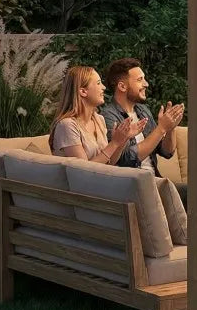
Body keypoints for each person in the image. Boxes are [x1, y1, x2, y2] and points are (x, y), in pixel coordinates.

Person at [100, 57, 188, 247]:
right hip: (133, 184)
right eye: (139, 80)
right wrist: (161, 128)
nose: (145, 84)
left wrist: (170, 128)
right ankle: (192, 244)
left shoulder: (143, 110)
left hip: (153, 179)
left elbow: (166, 151)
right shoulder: (109, 116)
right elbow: (125, 159)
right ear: (122, 86)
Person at [49, 65, 142, 164]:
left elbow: (109, 164)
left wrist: (122, 140)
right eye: (98, 83)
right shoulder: (67, 126)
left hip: (99, 178)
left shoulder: (99, 119)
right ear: (83, 91)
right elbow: (83, 171)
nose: (104, 87)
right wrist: (114, 143)